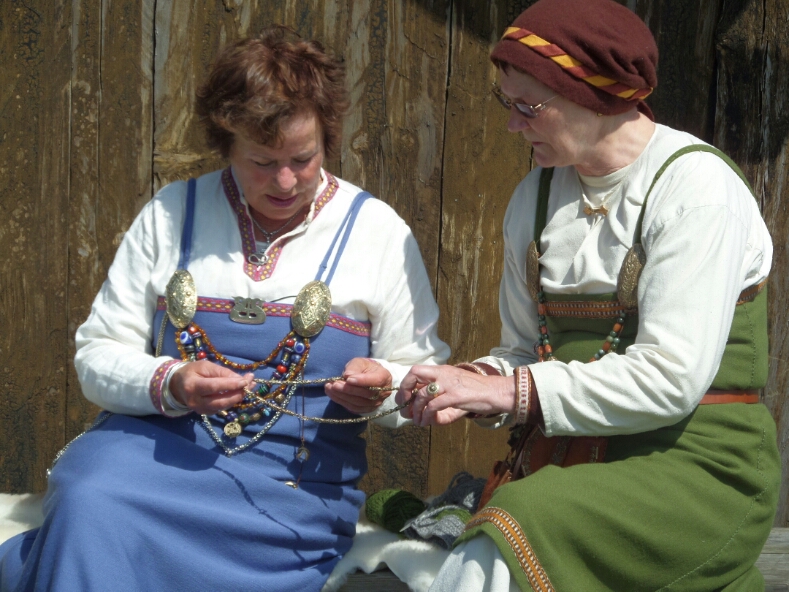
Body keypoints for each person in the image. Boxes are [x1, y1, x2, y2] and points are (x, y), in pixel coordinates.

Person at [0, 28, 448, 591]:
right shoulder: (171, 213)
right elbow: (97, 354)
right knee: (92, 492)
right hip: (148, 459)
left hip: (289, 496)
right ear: (226, 144)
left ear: (327, 138)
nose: (285, 181)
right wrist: (173, 379)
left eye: (302, 159)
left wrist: (386, 385)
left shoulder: (378, 232)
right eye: (262, 161)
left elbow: (424, 377)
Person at [397, 1, 781, 590]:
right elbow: (526, 353)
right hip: (567, 464)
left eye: (529, 108)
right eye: (509, 105)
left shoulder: (696, 191)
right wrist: (457, 385)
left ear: (597, 95)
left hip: (693, 470)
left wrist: (505, 390)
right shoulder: (536, 195)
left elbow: (670, 378)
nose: (512, 126)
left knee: (510, 531)